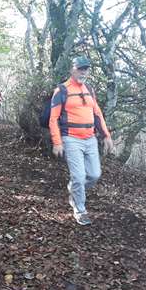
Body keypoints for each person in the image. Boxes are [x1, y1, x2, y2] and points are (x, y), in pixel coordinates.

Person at [49, 56, 114, 225]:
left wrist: (106, 135)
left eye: (85, 69)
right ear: (72, 69)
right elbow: (53, 118)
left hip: (90, 138)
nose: (83, 72)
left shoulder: (89, 89)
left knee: (94, 174)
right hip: (71, 139)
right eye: (80, 68)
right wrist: (57, 142)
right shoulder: (61, 90)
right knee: (78, 177)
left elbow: (98, 114)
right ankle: (79, 209)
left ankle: (74, 189)